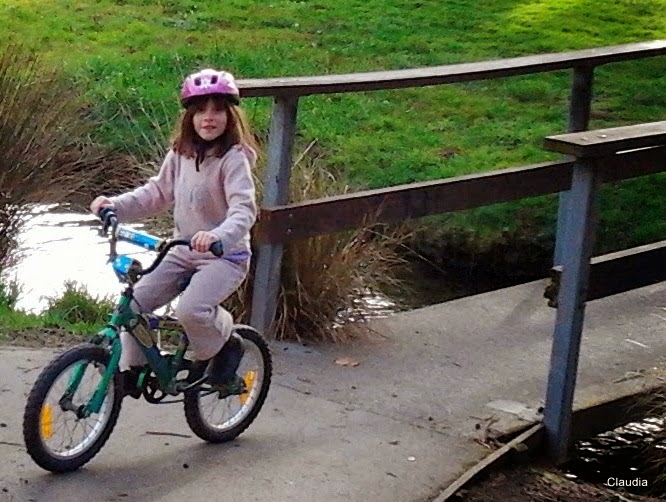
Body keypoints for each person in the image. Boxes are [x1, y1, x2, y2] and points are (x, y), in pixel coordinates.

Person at [90, 68, 258, 397]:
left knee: (190, 310)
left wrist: (218, 236)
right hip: (181, 250)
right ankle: (134, 368)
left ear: (230, 116)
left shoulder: (234, 159)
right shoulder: (180, 154)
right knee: (133, 305)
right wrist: (114, 206)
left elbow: (244, 210)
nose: (209, 118)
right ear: (189, 117)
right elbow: (156, 193)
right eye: (201, 110)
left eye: (218, 110)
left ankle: (226, 343)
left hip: (224, 256)